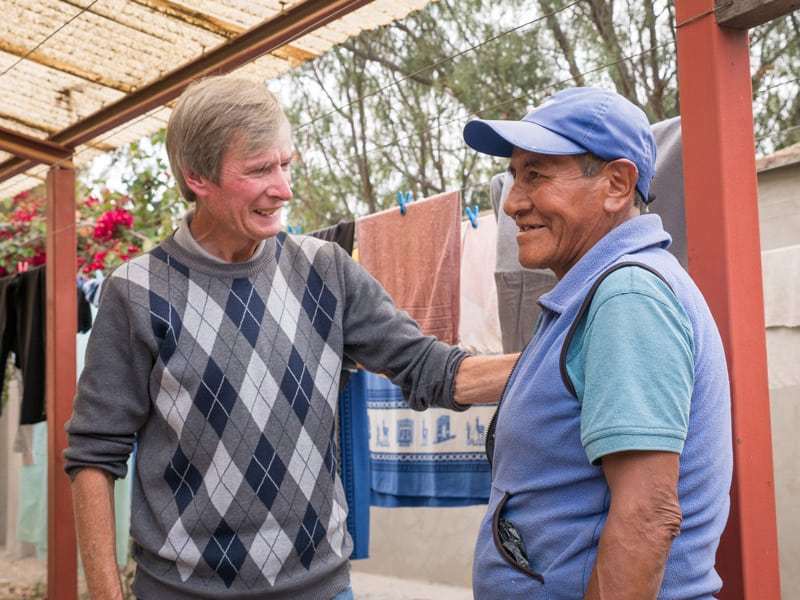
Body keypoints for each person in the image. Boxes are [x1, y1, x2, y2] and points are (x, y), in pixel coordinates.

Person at [64, 75, 514, 600]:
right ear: (197, 177)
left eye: (286, 164)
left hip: (321, 590)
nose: (284, 188)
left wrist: (562, 358)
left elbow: (429, 369)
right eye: (259, 170)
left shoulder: (326, 271)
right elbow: (95, 454)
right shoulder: (135, 293)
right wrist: (106, 594)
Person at [462, 87, 732, 599]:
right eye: (514, 177)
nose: (513, 202)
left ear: (616, 184)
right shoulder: (599, 291)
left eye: (536, 175)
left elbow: (647, 516)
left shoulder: (626, 295)